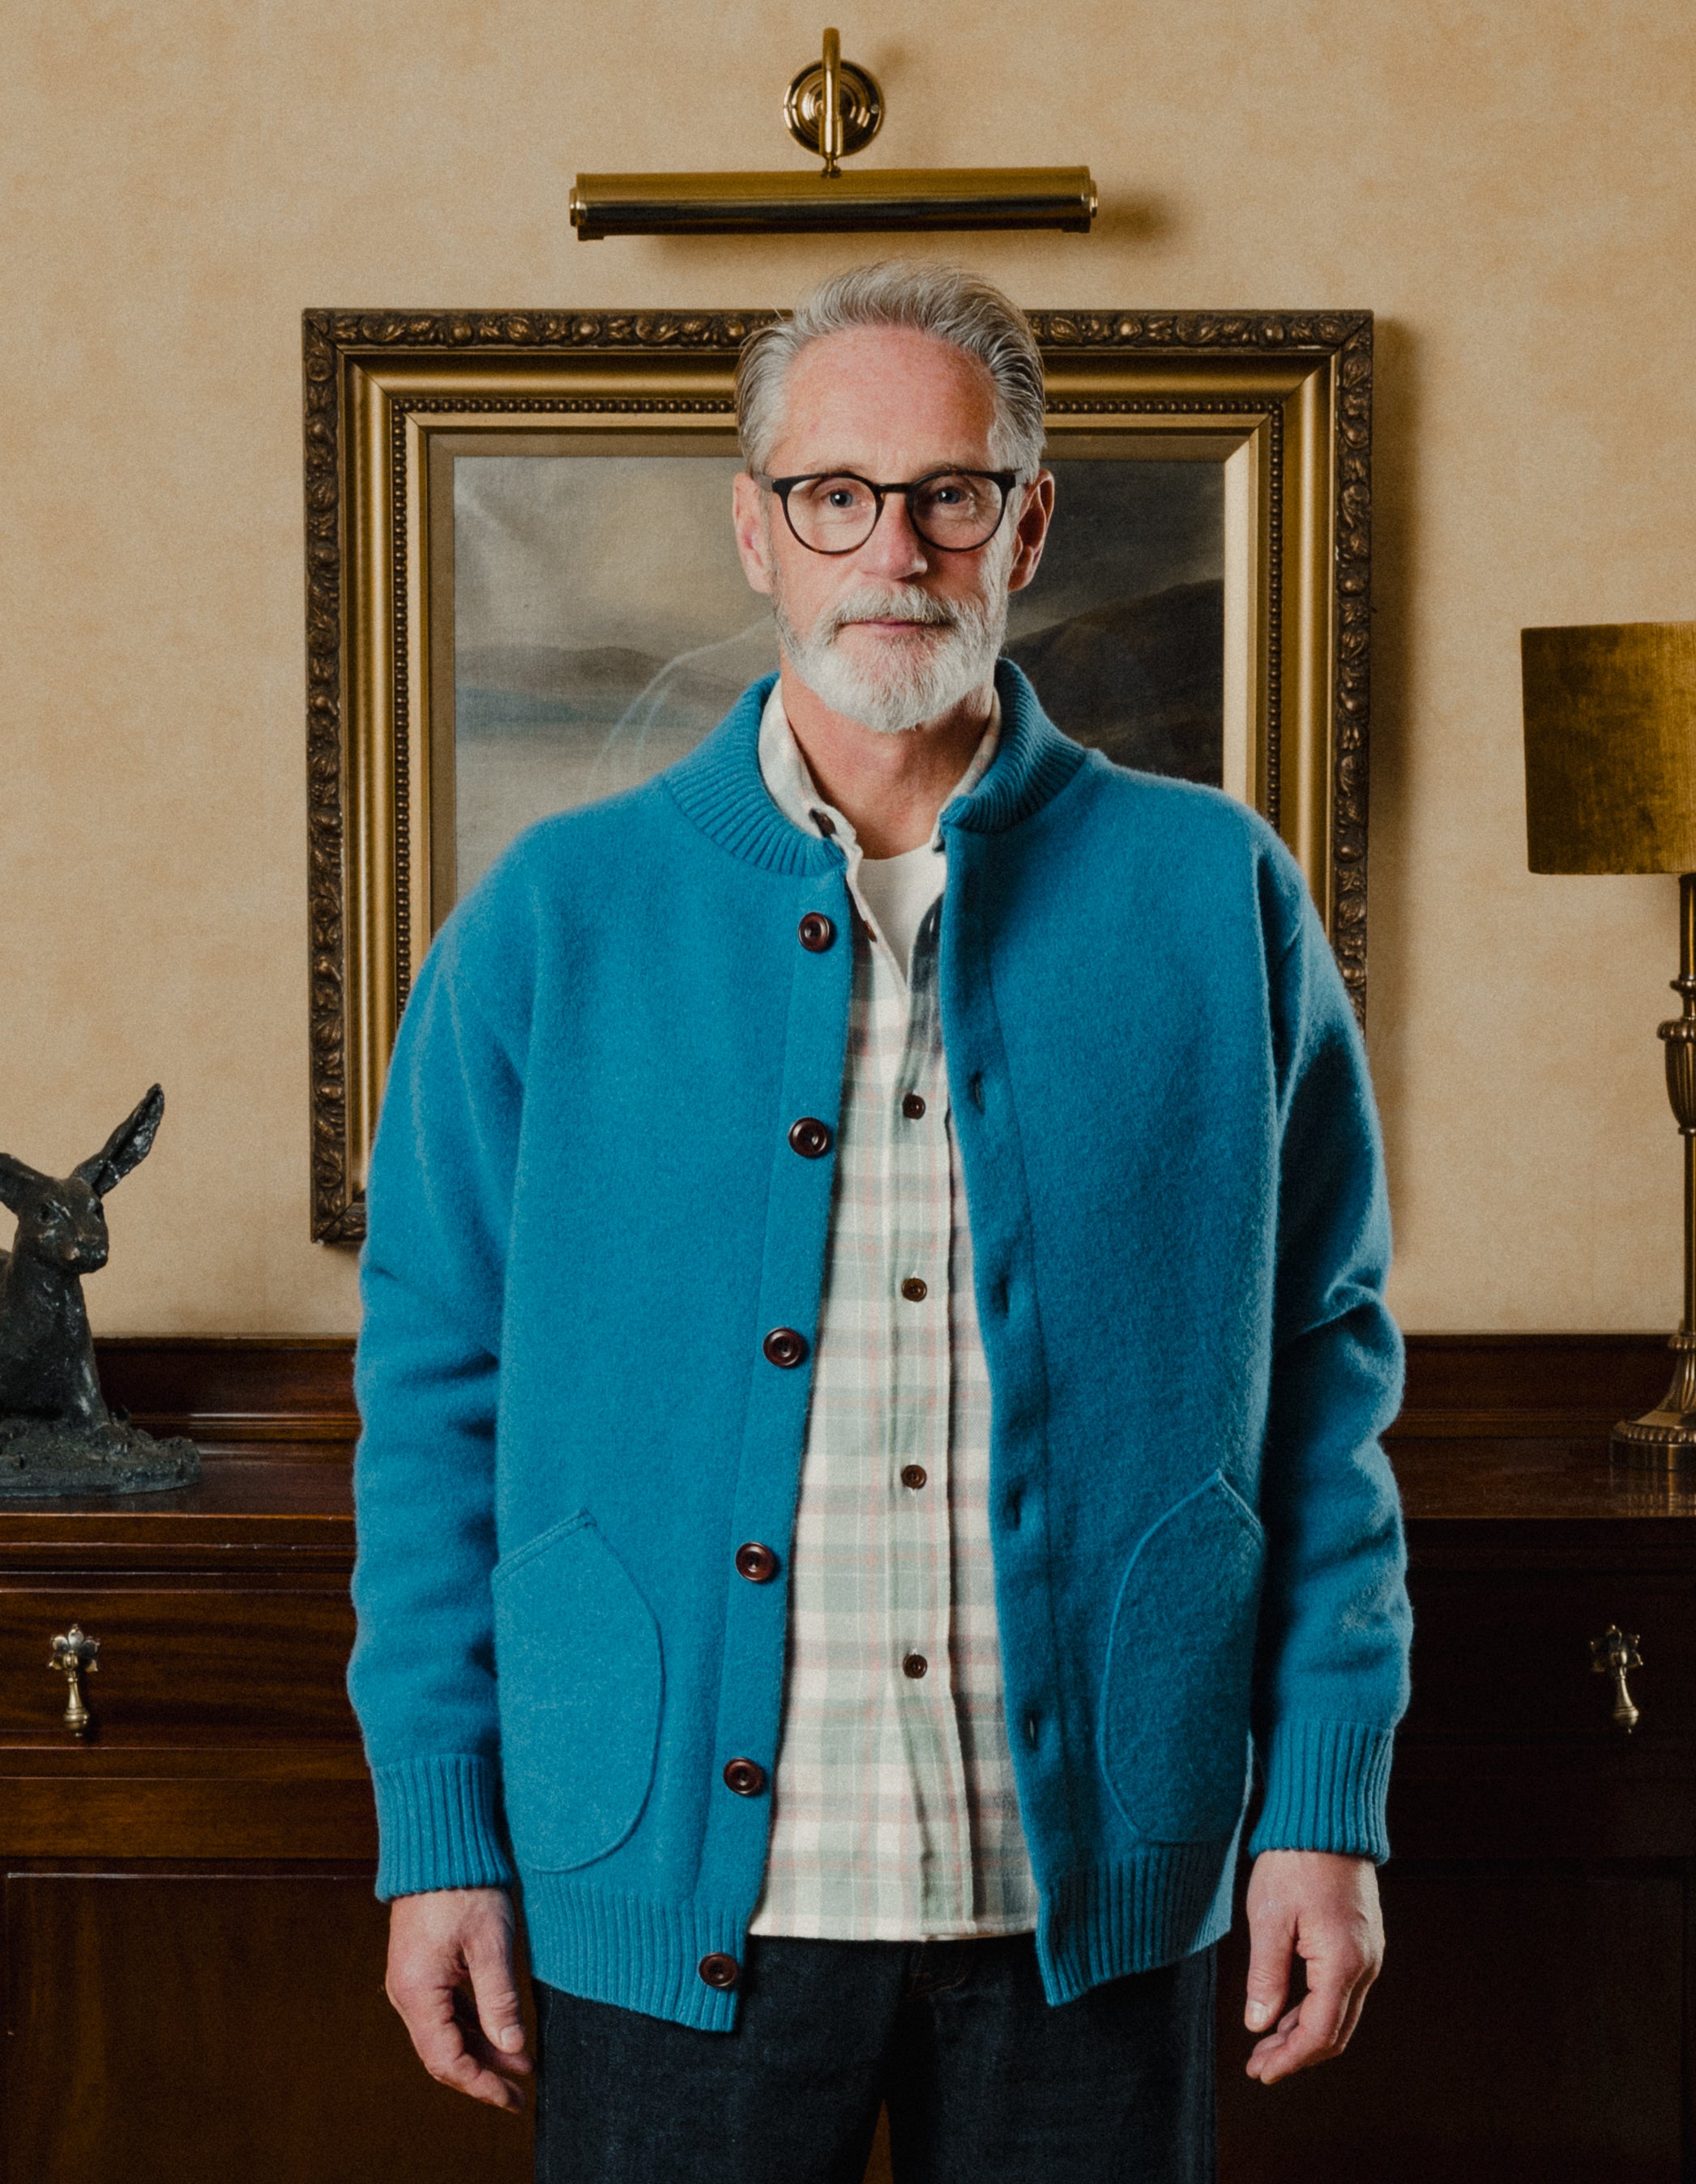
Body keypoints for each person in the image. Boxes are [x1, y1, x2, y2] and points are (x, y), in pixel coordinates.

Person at [348, 261, 1410, 2182]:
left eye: (948, 491)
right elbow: (433, 1404)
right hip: (666, 1889)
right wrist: (440, 1836)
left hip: (1102, 1881)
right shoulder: (550, 922)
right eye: (834, 492)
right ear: (754, 527)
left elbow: (1324, 1381)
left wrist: (1322, 1803)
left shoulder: (1210, 899)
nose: (891, 547)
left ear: (1027, 523)